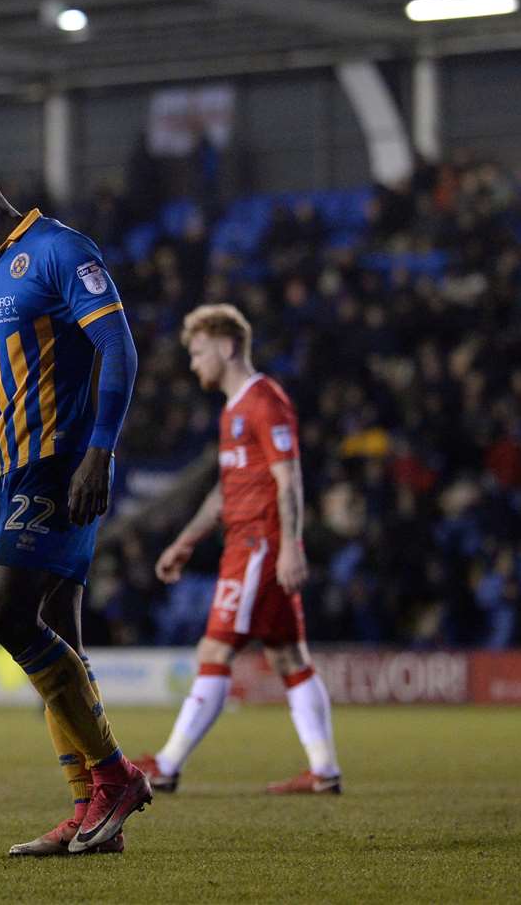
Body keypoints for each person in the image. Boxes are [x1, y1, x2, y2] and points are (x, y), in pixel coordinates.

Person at [0, 148, 148, 857]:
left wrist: (101, 449)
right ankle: (87, 809)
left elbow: (119, 346)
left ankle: (116, 777)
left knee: (8, 615)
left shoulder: (58, 249)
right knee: (56, 634)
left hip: (61, 465)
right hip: (18, 469)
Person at [133, 304, 341, 795]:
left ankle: (166, 764)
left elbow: (288, 479)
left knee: (215, 648)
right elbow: (226, 491)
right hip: (248, 543)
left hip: (259, 546)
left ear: (227, 347)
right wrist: (186, 541)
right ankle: (324, 770)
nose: (193, 363)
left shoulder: (265, 402)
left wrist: (290, 546)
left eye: (199, 351)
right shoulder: (232, 411)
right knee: (290, 656)